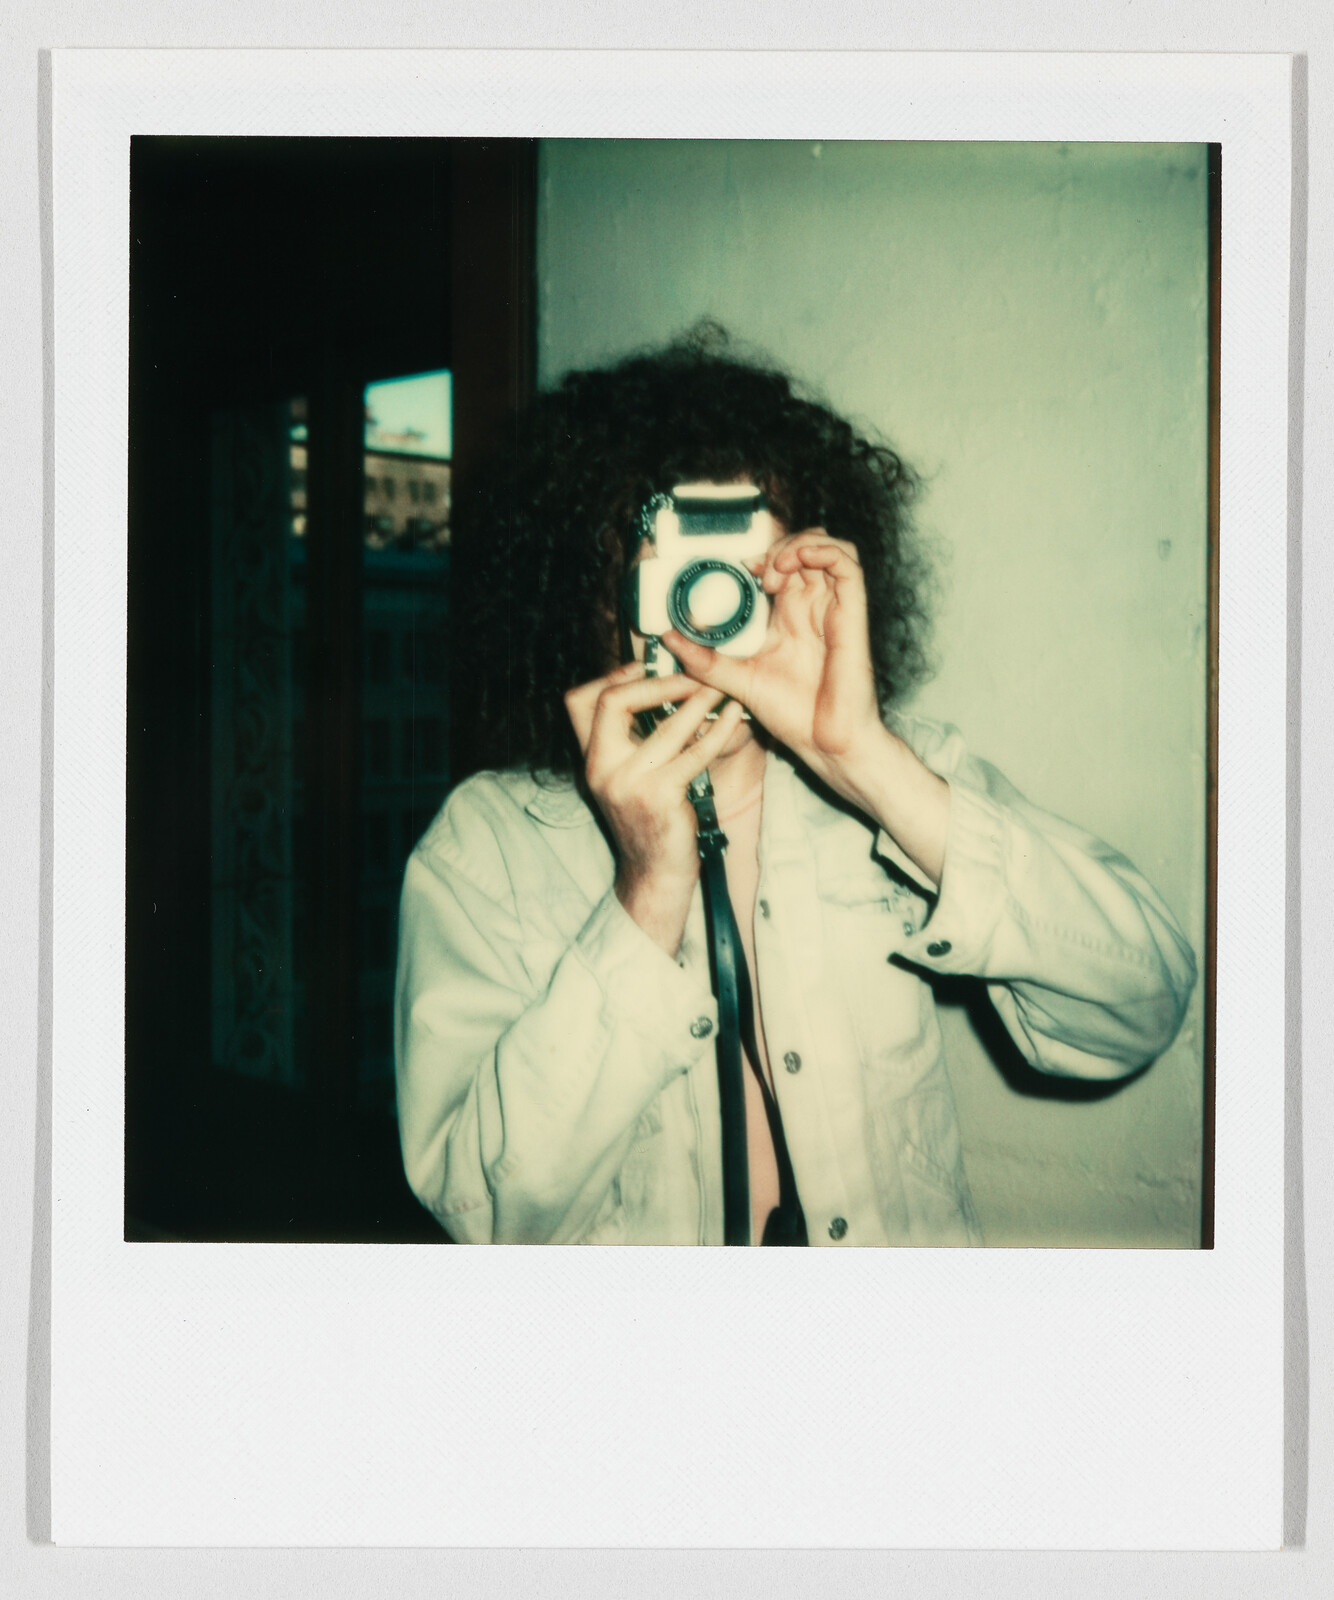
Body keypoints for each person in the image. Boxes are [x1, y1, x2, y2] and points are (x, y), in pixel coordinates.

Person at [393, 328, 1197, 1246]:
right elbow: (483, 1215)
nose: (707, 614)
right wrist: (646, 891)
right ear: (595, 599)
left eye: (736, 578)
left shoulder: (893, 778)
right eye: (671, 580)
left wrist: (862, 760)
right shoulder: (490, 845)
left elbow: (1142, 1005)